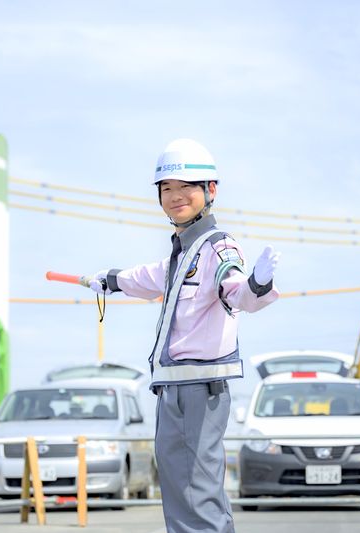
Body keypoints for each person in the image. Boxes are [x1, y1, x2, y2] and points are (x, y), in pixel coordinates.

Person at [88, 138, 280, 533]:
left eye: (186, 187)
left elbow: (238, 293)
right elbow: (145, 277)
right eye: (167, 188)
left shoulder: (218, 247)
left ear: (210, 191)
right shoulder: (182, 253)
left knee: (197, 489)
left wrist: (258, 283)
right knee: (179, 488)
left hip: (199, 390)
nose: (175, 196)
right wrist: (108, 280)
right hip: (173, 388)